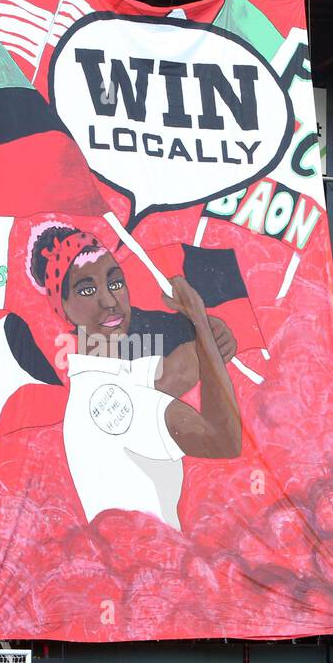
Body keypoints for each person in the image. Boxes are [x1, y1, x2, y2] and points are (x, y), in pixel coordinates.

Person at [27, 222, 241, 532]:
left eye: (114, 283)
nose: (110, 301)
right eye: (87, 289)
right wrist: (198, 320)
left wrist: (207, 334)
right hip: (154, 568)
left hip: (151, 565)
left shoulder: (117, 378)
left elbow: (177, 370)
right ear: (64, 309)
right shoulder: (109, 400)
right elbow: (223, 440)